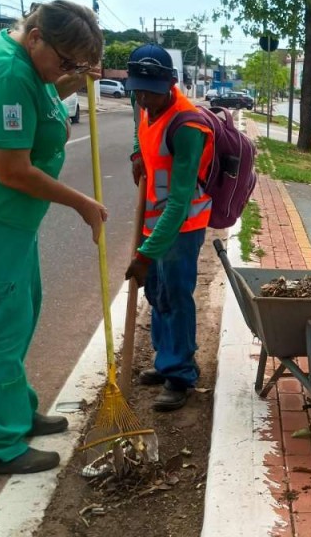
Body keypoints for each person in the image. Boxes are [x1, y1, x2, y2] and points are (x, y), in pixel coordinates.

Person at [0, 0, 105, 475]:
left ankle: (15, 411)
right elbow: (12, 170)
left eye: (76, 65)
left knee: (21, 310)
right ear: (35, 38)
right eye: (66, 61)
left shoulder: (26, 62)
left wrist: (74, 78)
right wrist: (82, 203)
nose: (66, 72)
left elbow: (43, 89)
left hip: (11, 219)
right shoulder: (6, 73)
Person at [124, 45, 214, 412]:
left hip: (183, 223)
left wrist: (145, 255)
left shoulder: (188, 125)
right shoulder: (146, 105)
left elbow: (178, 203)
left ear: (170, 84)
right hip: (156, 220)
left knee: (176, 295)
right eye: (138, 91)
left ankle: (180, 374)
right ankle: (166, 359)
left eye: (151, 92)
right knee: (157, 293)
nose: (143, 99)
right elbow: (141, 130)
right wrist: (136, 153)